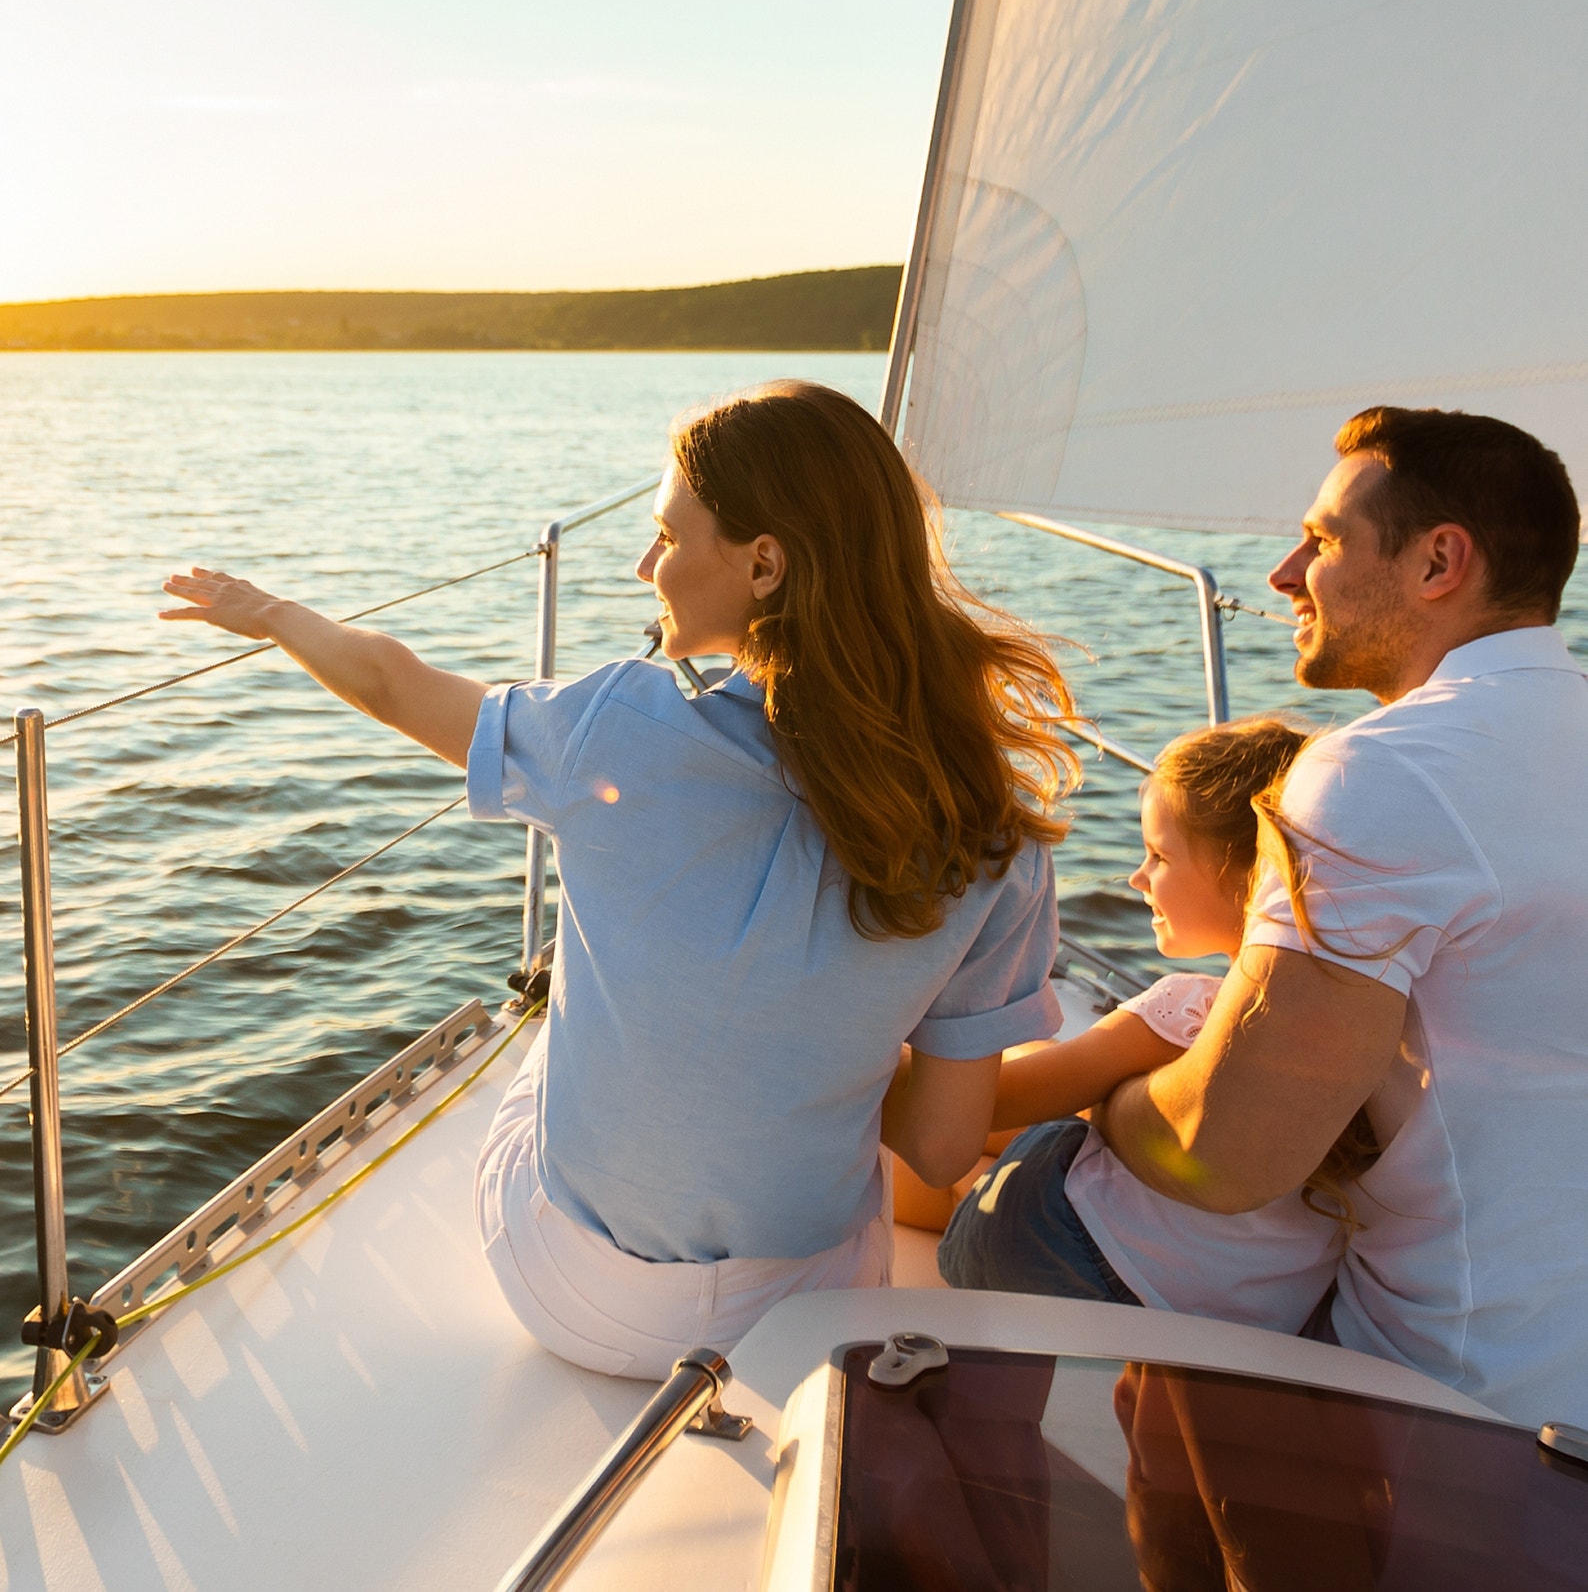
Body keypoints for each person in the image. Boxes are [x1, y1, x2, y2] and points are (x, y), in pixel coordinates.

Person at [161, 380, 1078, 1377]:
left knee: (555, 1021)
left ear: (764, 564)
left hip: (574, 1293)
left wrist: (275, 614)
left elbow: (394, 683)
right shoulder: (996, 839)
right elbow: (944, 1153)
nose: (646, 566)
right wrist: (825, 1052)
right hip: (805, 1317)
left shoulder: (614, 727)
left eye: (669, 538)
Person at [1094, 406, 1588, 1425]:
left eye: (1320, 541)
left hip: (1452, 1402)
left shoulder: (1383, 770)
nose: (1282, 573)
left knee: (1029, 1199)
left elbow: (1230, 1153)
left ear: (1440, 561)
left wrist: (1106, 1100)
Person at [938, 717, 1376, 1332]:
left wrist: (884, 1050)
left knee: (998, 1149)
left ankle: (956, 1209)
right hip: (1253, 1322)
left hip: (1063, 1262)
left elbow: (985, 1104)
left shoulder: (1187, 1012)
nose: (1137, 878)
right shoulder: (1370, 1034)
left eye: (1159, 856)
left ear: (1247, 878)